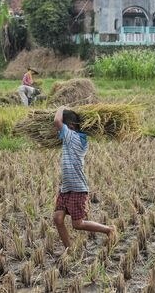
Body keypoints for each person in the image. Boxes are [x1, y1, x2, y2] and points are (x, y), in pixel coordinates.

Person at [52, 106, 115, 250]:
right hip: (66, 188)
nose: (60, 131)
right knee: (57, 218)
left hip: (78, 189)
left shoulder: (73, 137)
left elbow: (56, 121)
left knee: (78, 224)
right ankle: (70, 249)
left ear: (71, 126)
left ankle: (108, 229)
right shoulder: (72, 137)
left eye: (64, 127)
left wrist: (61, 107)